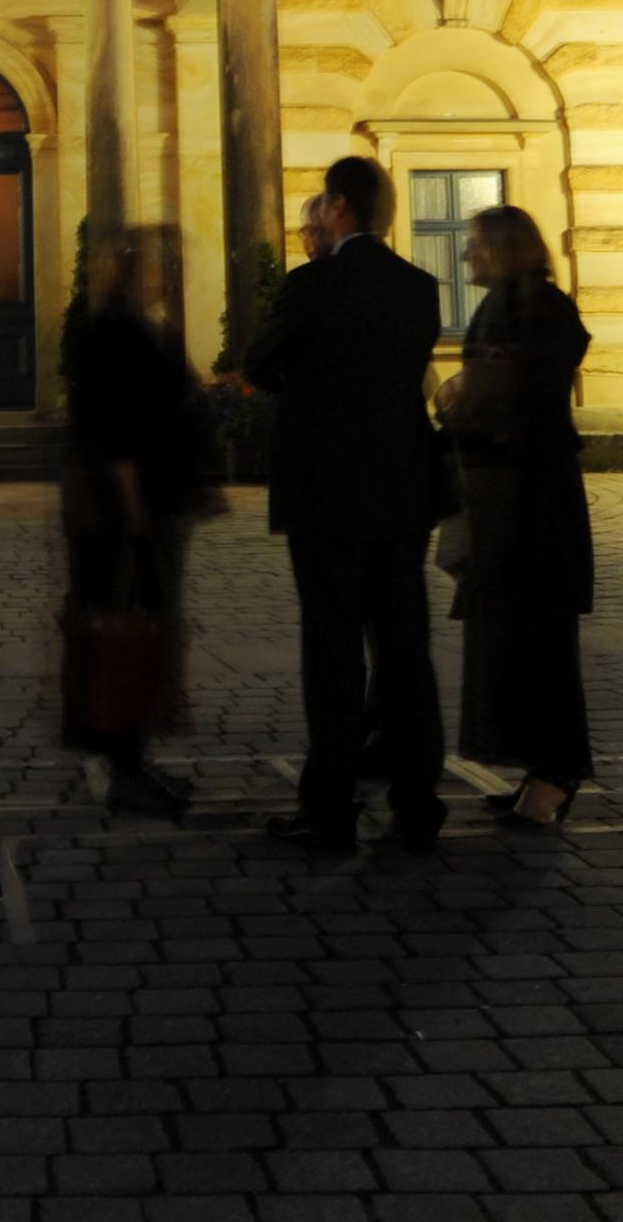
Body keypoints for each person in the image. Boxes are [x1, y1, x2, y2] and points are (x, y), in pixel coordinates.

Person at [242, 155, 447, 855]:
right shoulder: (419, 288)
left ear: (337, 207)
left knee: (331, 649)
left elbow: (259, 363)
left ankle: (329, 808)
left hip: (325, 489)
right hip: (399, 489)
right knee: (404, 649)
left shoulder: (311, 285)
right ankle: (417, 801)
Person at [443, 204, 596, 831]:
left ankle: (556, 774)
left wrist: (464, 394)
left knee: (540, 638)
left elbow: (503, 390)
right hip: (512, 494)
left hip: (529, 499)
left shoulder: (535, 307)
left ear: (507, 248)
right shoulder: (521, 303)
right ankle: (541, 769)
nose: (465, 255)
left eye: (476, 244)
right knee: (516, 635)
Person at [61, 225, 210, 819]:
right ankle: (124, 763)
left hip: (140, 504)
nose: (173, 272)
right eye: (162, 263)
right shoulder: (113, 331)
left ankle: (131, 758)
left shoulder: (142, 326)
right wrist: (136, 514)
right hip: (121, 512)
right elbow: (117, 428)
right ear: (130, 268)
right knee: (126, 628)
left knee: (140, 629)